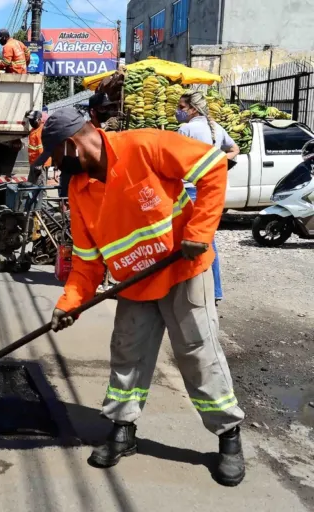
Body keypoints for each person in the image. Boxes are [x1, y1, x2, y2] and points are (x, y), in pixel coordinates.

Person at [35, 108, 246, 487]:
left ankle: (228, 435)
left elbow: (213, 167)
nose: (57, 167)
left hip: (183, 270)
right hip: (134, 282)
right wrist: (69, 305)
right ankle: (122, 428)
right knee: (127, 356)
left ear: (72, 145)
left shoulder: (144, 146)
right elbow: (86, 261)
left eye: (56, 156)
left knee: (198, 354)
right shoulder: (79, 189)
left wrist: (198, 230)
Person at [176, 91, 239, 305]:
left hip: (190, 191)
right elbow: (234, 149)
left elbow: (176, 161)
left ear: (193, 109)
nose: (178, 111)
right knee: (207, 239)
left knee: (192, 240)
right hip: (211, 191)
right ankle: (215, 290)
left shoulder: (186, 129)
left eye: (181, 107)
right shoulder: (216, 128)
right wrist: (220, 159)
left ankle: (199, 290)